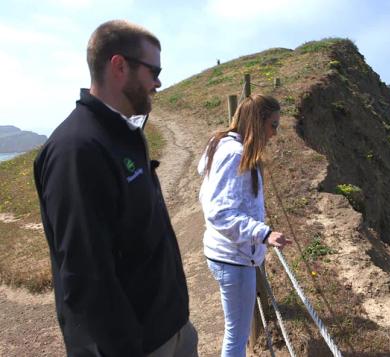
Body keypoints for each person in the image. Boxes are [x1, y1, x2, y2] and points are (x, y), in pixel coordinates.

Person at [34, 20, 197, 357]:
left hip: (170, 330)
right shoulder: (76, 150)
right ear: (119, 66)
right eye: (154, 71)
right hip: (141, 346)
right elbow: (85, 276)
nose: (159, 82)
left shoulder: (123, 132)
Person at [197, 94, 292, 357]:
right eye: (273, 125)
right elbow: (219, 212)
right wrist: (264, 233)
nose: (275, 133)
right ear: (257, 122)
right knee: (236, 337)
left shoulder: (220, 143)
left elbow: (206, 183)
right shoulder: (235, 154)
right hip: (234, 260)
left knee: (235, 331)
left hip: (228, 255)